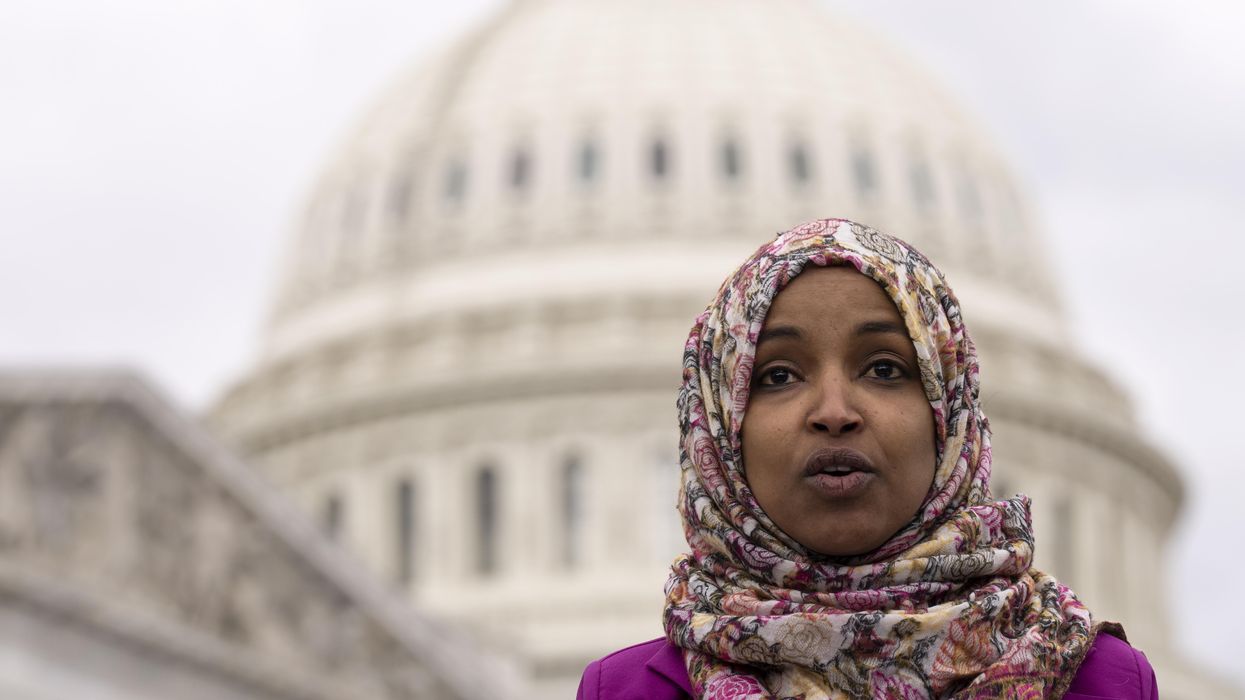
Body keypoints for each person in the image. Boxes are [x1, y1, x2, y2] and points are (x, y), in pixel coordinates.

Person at [577, 219, 1157, 699]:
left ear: (948, 415)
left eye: (884, 368)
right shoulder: (629, 690)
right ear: (722, 436)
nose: (834, 412)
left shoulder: (1101, 682)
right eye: (779, 376)